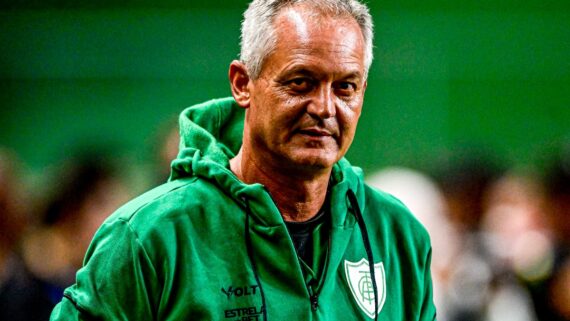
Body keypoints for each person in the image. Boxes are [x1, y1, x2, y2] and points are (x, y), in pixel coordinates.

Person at [50, 0, 436, 320]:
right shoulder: (148, 237)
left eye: (345, 87)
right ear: (242, 83)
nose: (325, 107)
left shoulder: (397, 234)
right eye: (300, 82)